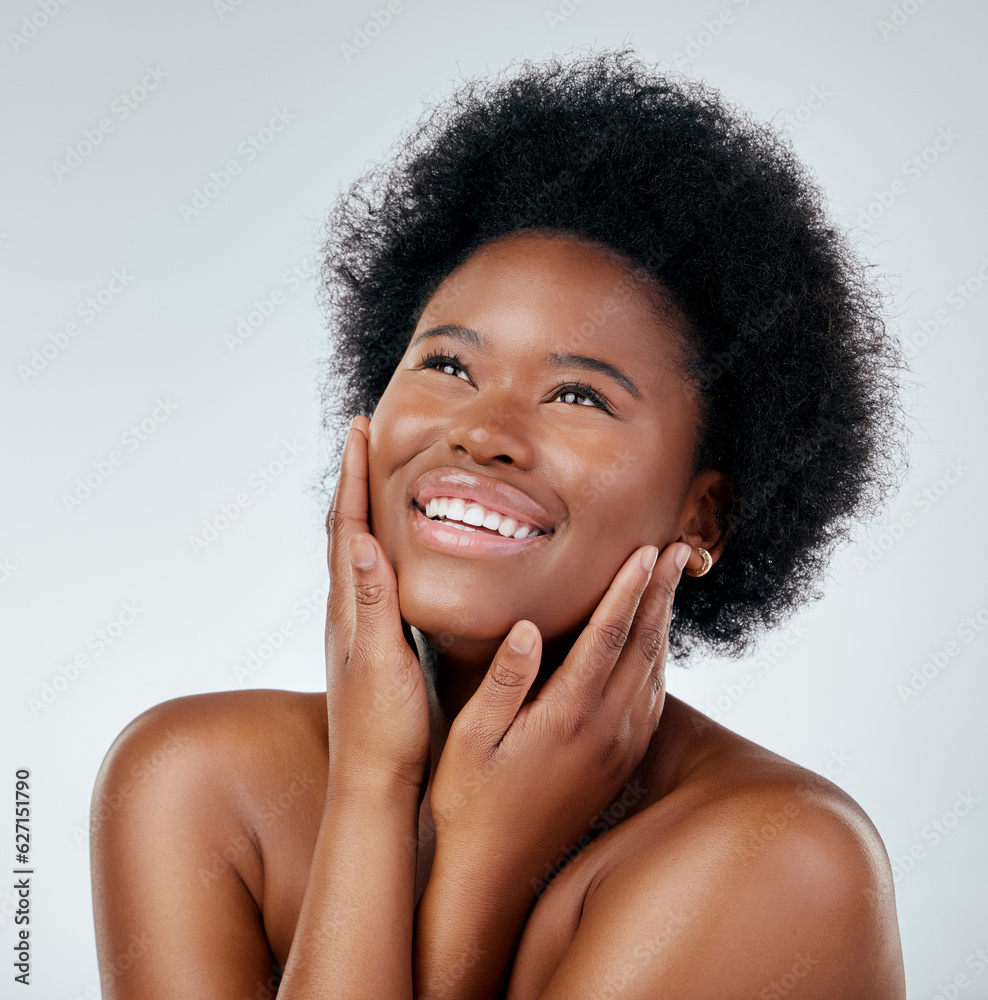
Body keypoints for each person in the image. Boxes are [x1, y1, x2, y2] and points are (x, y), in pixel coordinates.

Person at [90, 47, 909, 998]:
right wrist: (372, 787)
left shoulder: (781, 860)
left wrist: (482, 863)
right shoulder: (192, 784)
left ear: (706, 514)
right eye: (447, 366)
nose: (482, 434)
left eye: (577, 395)